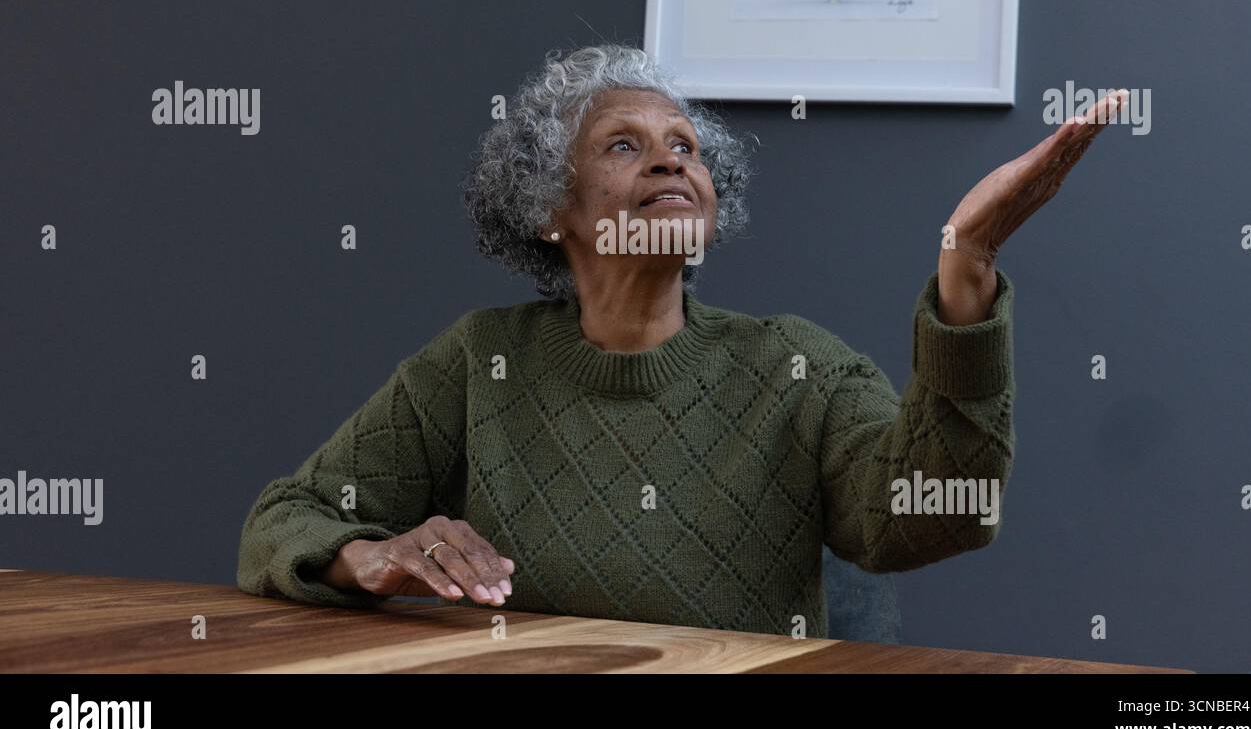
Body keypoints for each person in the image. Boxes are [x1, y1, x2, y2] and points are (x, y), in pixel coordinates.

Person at [235, 43, 1127, 638]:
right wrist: (373, 555)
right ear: (554, 210)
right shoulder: (479, 360)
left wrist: (966, 266)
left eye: (686, 147)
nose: (671, 162)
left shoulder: (795, 366)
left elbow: (950, 507)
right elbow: (281, 520)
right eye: (625, 146)